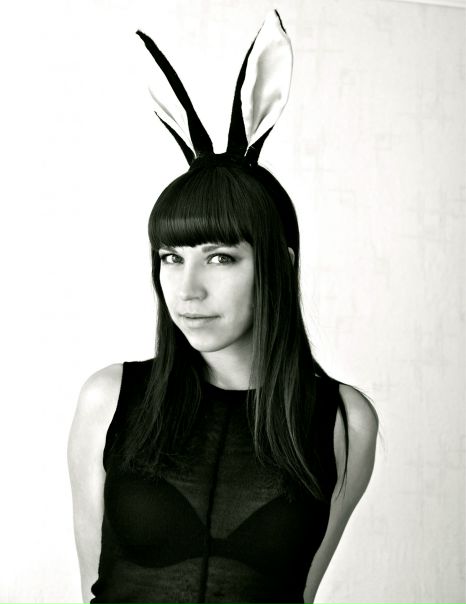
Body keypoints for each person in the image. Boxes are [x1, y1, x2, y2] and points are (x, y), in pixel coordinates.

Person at [68, 10, 378, 604]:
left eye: (219, 258)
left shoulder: (346, 421)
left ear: (279, 264)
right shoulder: (107, 399)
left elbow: (300, 594)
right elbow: (90, 588)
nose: (186, 290)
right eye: (171, 257)